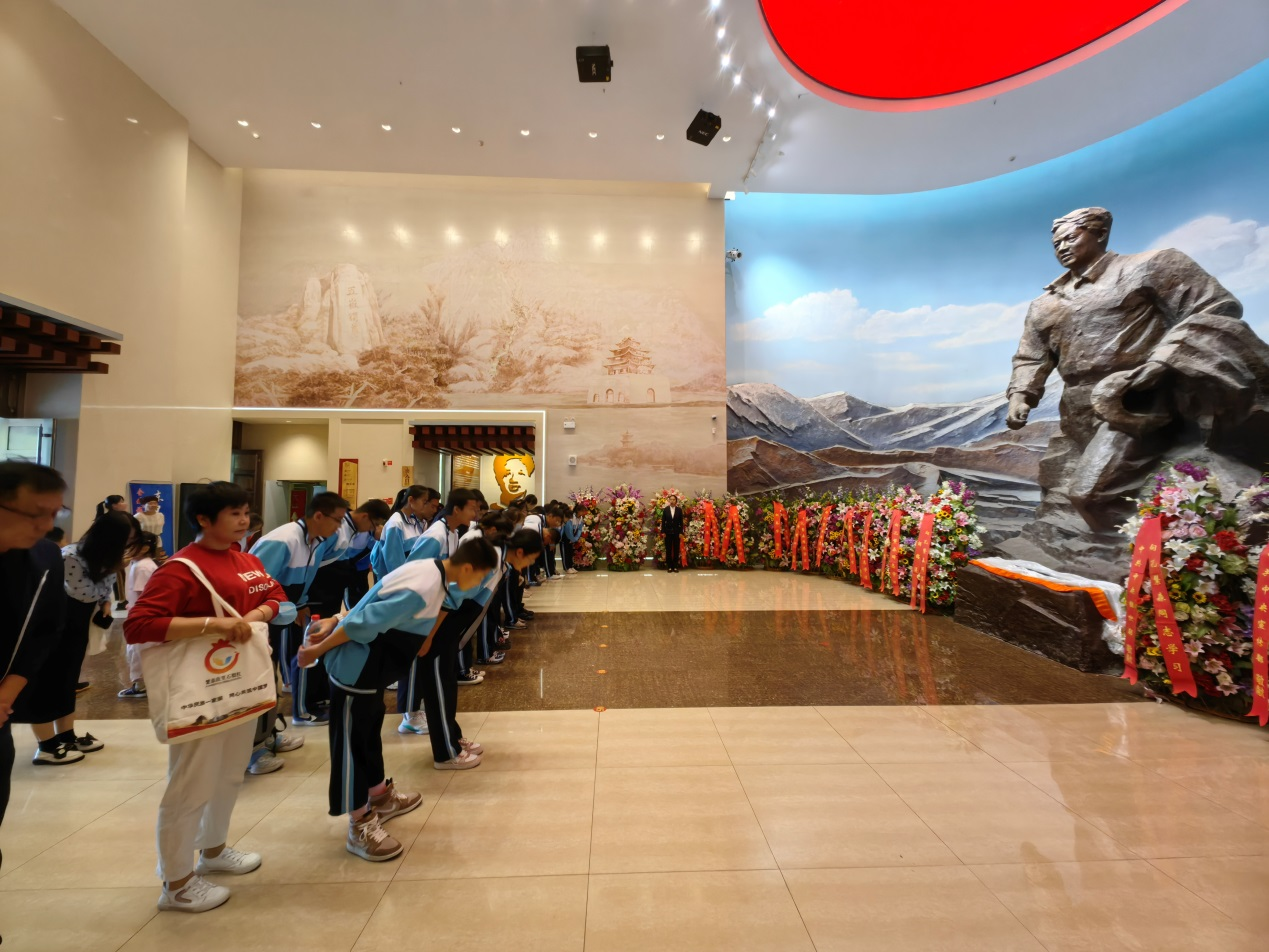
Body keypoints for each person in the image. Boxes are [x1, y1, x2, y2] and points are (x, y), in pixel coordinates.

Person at [124, 481, 295, 914]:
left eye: (246, 513)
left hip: (240, 686)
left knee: (229, 774)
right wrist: (212, 625)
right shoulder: (181, 568)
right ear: (203, 519)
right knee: (190, 784)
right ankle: (176, 882)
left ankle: (213, 849)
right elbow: (138, 625)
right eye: (234, 513)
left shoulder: (247, 558)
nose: (244, 520)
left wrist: (253, 615)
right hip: (200, 693)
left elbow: (276, 596)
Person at [297, 537, 499, 859]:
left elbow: (373, 598)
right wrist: (319, 649)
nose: (478, 585)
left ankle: (379, 796)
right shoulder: (424, 586)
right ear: (468, 569)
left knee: (368, 733)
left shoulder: (430, 570)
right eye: (480, 577)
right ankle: (359, 824)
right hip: (356, 668)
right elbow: (364, 622)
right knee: (351, 746)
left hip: (372, 670)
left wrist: (335, 619)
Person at [20, 509, 139, 763]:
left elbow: (103, 592)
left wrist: (107, 592)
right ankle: (47, 745)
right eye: (125, 541)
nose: (127, 547)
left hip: (75, 629)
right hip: (53, 629)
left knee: (67, 681)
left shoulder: (101, 559)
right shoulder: (71, 556)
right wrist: (110, 575)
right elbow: (83, 593)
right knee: (47, 682)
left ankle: (66, 736)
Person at [0, 462, 68, 828]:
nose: (46, 526)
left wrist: (7, 693)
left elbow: (45, 630)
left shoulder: (45, 557)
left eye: (55, 514)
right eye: (36, 514)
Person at [250, 492, 350, 729]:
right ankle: (259, 736)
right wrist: (262, 618)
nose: (339, 528)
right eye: (337, 520)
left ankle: (268, 731)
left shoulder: (315, 542)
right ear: (319, 516)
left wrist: (301, 604)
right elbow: (256, 585)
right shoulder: (284, 539)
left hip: (284, 610)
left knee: (275, 669)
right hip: (261, 615)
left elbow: (304, 578)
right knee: (261, 673)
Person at [394, 488, 484, 734]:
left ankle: (416, 709)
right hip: (420, 604)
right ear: (457, 509)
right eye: (472, 508)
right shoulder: (436, 534)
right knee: (415, 657)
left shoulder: (451, 532)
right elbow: (413, 570)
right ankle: (409, 715)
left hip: (434, 602)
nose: (475, 513)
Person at [307, 499, 391, 622]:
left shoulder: (349, 528)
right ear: (365, 516)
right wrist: (301, 602)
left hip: (332, 589)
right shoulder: (336, 527)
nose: (373, 529)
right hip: (318, 590)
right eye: (374, 525)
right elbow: (310, 563)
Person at [119, 531, 160, 699]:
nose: (126, 548)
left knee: (139, 651)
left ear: (144, 548)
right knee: (139, 650)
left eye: (131, 545)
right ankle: (145, 683)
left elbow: (144, 595)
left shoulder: (143, 567)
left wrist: (136, 611)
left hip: (142, 617)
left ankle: (141, 685)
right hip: (140, 614)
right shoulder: (140, 564)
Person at [369, 485, 439, 579]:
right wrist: (404, 580)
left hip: (407, 576)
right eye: (424, 501)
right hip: (394, 579)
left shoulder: (414, 521)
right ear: (411, 500)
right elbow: (394, 562)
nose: (425, 505)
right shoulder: (396, 523)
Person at [661, 495, 684, 573]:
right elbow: (663, 522)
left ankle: (675, 566)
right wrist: (663, 532)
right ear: (669, 501)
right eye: (671, 499)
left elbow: (681, 522)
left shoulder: (679, 510)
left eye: (674, 499)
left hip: (677, 533)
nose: (672, 501)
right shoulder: (666, 510)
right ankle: (669, 566)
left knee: (676, 550)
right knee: (668, 549)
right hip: (668, 532)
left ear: (676, 501)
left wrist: (681, 532)